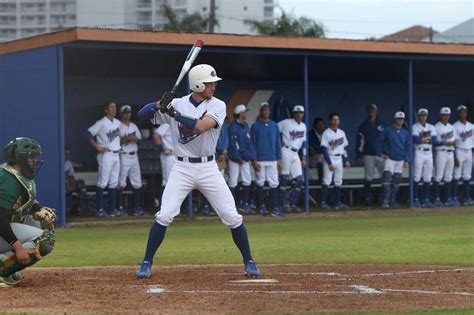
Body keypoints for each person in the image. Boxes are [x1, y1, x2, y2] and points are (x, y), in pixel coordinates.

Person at [135, 64, 260, 279]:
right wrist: (158, 104)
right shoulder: (177, 103)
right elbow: (142, 115)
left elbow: (201, 126)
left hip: (208, 168)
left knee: (232, 216)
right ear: (198, 84)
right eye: (210, 83)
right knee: (164, 215)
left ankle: (249, 261)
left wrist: (173, 113)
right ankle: (146, 262)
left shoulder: (218, 105)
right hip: (181, 167)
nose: (213, 86)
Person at [0, 137, 56, 285]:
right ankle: (3, 266)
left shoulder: (12, 174)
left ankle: (5, 262)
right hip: (1, 224)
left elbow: (26, 198)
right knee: (45, 240)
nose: (34, 161)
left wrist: (38, 209)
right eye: (31, 158)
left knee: (44, 223)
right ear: (21, 158)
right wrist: (18, 248)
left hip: (4, 225)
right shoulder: (7, 179)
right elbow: (0, 218)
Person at [86, 101, 121, 218]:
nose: (114, 109)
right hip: (105, 154)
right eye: (111, 107)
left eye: (115, 107)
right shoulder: (101, 123)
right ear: (106, 109)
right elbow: (88, 133)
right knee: (103, 182)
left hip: (116, 154)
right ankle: (100, 209)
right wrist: (97, 147)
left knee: (114, 182)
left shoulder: (117, 122)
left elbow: (115, 138)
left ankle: (112, 210)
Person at [250, 102, 283, 217]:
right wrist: (254, 160)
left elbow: (278, 143)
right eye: (264, 110)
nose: (266, 112)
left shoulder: (274, 125)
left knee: (274, 183)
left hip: (272, 158)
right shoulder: (255, 126)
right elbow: (252, 144)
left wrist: (279, 158)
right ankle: (261, 206)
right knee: (260, 182)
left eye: (268, 110)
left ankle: (274, 208)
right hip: (260, 159)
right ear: (261, 112)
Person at [377, 111, 410, 208]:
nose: (400, 121)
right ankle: (385, 201)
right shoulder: (388, 130)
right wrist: (381, 153)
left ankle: (392, 200)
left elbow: (408, 146)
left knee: (397, 179)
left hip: (400, 159)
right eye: (399, 119)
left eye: (402, 119)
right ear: (395, 119)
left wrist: (407, 160)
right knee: (387, 177)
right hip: (389, 158)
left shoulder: (405, 132)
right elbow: (379, 141)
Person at [228, 104, 257, 214]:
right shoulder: (233, 127)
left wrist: (251, 157)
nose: (246, 114)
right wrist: (238, 158)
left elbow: (249, 144)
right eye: (245, 112)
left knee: (247, 180)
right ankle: (231, 206)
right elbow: (233, 145)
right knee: (233, 181)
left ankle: (244, 204)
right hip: (234, 159)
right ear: (240, 113)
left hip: (245, 158)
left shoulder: (245, 125)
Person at [278, 105, 307, 213]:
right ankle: (283, 205)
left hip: (296, 154)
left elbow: (304, 142)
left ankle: (292, 204)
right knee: (284, 178)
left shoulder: (303, 126)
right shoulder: (286, 122)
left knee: (300, 180)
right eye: (297, 113)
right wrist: (278, 142)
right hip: (285, 150)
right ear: (293, 114)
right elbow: (274, 130)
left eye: (301, 113)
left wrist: (303, 157)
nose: (299, 115)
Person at [355, 104, 386, 206]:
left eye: (372, 110)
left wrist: (387, 152)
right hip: (368, 154)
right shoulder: (363, 125)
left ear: (376, 111)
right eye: (369, 110)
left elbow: (387, 139)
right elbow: (359, 142)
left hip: (381, 154)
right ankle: (368, 198)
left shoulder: (382, 124)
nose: (370, 112)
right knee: (368, 177)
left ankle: (384, 198)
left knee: (384, 177)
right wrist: (359, 155)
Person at [320, 113, 350, 209]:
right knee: (327, 181)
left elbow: (344, 148)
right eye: (333, 119)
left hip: (339, 158)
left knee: (338, 181)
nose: (335, 121)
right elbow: (324, 149)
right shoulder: (326, 133)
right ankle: (322, 202)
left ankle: (337, 203)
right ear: (330, 121)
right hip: (330, 157)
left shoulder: (342, 132)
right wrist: (329, 163)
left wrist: (346, 160)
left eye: (337, 119)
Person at [117, 105, 143, 216]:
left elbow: (140, 138)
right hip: (123, 155)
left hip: (134, 155)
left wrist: (133, 138)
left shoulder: (133, 125)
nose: (127, 114)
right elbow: (111, 141)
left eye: (129, 112)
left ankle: (137, 208)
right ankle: (119, 207)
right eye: (125, 112)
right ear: (121, 114)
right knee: (121, 182)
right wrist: (126, 138)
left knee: (137, 182)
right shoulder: (117, 126)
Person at [202, 117, 229, 215]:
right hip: (211, 155)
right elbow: (212, 139)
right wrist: (221, 150)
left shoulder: (224, 123)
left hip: (221, 157)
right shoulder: (209, 121)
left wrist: (224, 150)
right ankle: (206, 206)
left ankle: (216, 208)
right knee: (207, 183)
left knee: (219, 183)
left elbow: (226, 138)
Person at [412, 108, 438, 208]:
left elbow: (435, 140)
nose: (423, 117)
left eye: (425, 115)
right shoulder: (414, 126)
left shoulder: (431, 126)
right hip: (419, 151)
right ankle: (416, 199)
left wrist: (423, 138)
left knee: (427, 176)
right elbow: (416, 140)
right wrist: (428, 138)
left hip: (429, 152)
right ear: (418, 116)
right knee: (417, 176)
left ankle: (426, 199)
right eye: (421, 115)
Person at [433, 107, 457, 207]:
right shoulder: (436, 127)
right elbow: (434, 142)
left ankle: (448, 199)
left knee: (448, 177)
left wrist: (455, 155)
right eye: (444, 115)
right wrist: (444, 143)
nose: (446, 117)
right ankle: (436, 199)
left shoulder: (452, 127)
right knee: (438, 176)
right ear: (441, 115)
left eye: (447, 115)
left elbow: (455, 141)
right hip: (441, 152)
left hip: (450, 153)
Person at [453, 105, 473, 206]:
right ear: (458, 114)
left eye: (464, 112)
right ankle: (454, 198)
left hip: (469, 151)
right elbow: (453, 142)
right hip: (459, 150)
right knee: (457, 175)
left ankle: (467, 198)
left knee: (467, 175)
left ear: (466, 113)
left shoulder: (471, 126)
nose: (463, 114)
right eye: (461, 112)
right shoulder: (454, 126)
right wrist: (454, 156)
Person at [153, 123, 174, 210]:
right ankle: (163, 208)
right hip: (168, 155)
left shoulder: (180, 123)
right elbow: (156, 135)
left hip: (178, 155)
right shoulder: (167, 124)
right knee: (167, 181)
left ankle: (173, 207)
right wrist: (163, 149)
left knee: (176, 181)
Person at [308, 117, 325, 184]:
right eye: (319, 124)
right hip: (312, 158)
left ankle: (328, 182)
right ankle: (321, 182)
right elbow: (311, 149)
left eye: (322, 124)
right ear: (314, 126)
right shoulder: (309, 134)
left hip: (323, 157)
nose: (321, 126)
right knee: (321, 158)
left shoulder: (326, 134)